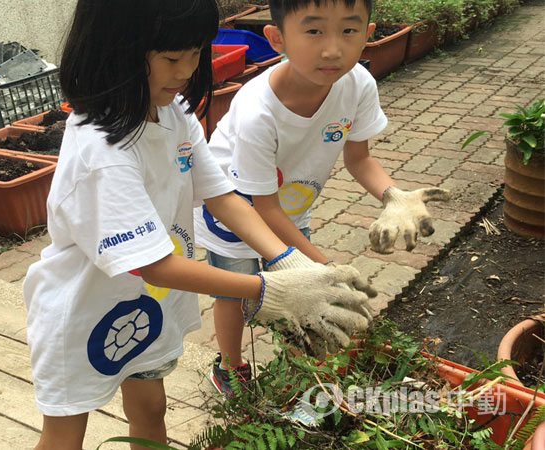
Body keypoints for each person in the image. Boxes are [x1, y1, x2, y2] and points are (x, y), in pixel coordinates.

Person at [22, 1, 378, 449]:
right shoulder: (102, 153)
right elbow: (154, 266)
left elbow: (224, 196)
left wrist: (287, 261)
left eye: (196, 54)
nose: (187, 70)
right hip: (82, 316)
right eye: (173, 59)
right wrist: (271, 291)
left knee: (150, 408)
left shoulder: (170, 112)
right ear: (115, 49)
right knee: (65, 435)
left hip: (144, 312)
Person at [193, 0, 451, 396]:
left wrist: (395, 196)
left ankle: (300, 365)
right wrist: (326, 269)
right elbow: (263, 209)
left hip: (289, 206)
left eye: (348, 30)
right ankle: (230, 364)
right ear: (277, 38)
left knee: (299, 286)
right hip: (232, 205)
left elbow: (360, 159)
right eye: (314, 31)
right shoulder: (256, 108)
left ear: (368, 33)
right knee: (234, 289)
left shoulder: (358, 85)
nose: (333, 49)